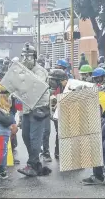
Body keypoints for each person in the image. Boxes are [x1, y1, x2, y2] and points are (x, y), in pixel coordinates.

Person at [16, 43, 51, 177]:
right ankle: (36, 163)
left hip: (38, 108)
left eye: (29, 56)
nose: (25, 59)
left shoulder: (39, 71)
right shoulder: (23, 71)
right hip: (27, 108)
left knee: (34, 138)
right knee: (25, 136)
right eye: (23, 56)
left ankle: (31, 164)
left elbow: (36, 87)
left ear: (35, 58)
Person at [42, 69, 68, 163]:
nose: (52, 82)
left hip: (60, 111)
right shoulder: (47, 87)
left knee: (61, 131)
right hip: (46, 111)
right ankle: (45, 153)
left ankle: (59, 152)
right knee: (46, 132)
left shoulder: (67, 86)